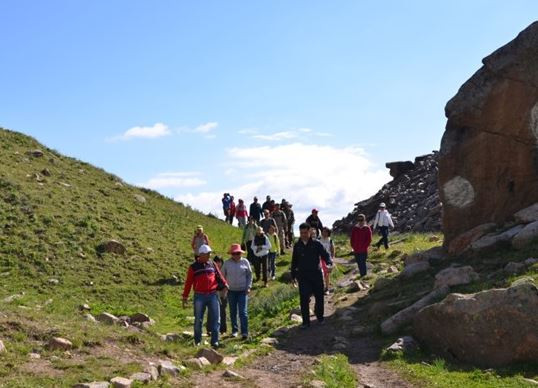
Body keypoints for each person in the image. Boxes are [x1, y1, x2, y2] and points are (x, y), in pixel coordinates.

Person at [182, 245, 228, 348]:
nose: (209, 255)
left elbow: (219, 275)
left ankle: (215, 341)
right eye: (208, 254)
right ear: (201, 255)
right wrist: (185, 297)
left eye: (209, 253)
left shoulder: (212, 263)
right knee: (198, 319)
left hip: (212, 294)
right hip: (199, 296)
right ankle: (197, 341)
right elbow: (188, 283)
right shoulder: (193, 267)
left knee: (217, 319)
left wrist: (225, 284)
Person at [291, 223, 331, 329]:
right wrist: (293, 276)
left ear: (309, 232)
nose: (303, 235)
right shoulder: (297, 245)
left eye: (305, 232)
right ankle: (306, 322)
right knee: (304, 299)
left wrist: (329, 262)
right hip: (303, 276)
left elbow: (325, 255)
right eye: (301, 233)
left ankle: (320, 316)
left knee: (319, 297)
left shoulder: (316, 244)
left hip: (316, 274)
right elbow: (294, 261)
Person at [222, 244, 252, 339]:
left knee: (243, 312)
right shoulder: (227, 263)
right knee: (233, 312)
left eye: (238, 253)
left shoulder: (245, 262)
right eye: (234, 253)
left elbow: (249, 275)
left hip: (243, 291)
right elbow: (222, 276)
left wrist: (248, 287)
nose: (236, 255)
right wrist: (224, 286)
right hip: (231, 291)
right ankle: (235, 330)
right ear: (231, 254)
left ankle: (244, 332)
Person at [206, 256, 228, 336]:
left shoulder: (225, 270)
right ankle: (209, 329)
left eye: (220, 262)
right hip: (213, 293)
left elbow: (226, 282)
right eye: (216, 262)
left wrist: (225, 291)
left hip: (223, 293)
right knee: (211, 311)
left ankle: (223, 329)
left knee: (222, 311)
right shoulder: (211, 270)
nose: (218, 263)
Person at [319, 227, 336, 295]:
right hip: (319, 259)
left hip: (327, 260)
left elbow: (332, 250)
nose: (324, 233)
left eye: (326, 232)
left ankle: (326, 288)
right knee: (320, 274)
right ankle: (321, 288)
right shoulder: (319, 239)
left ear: (328, 233)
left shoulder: (330, 240)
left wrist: (332, 259)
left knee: (327, 274)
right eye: (323, 231)